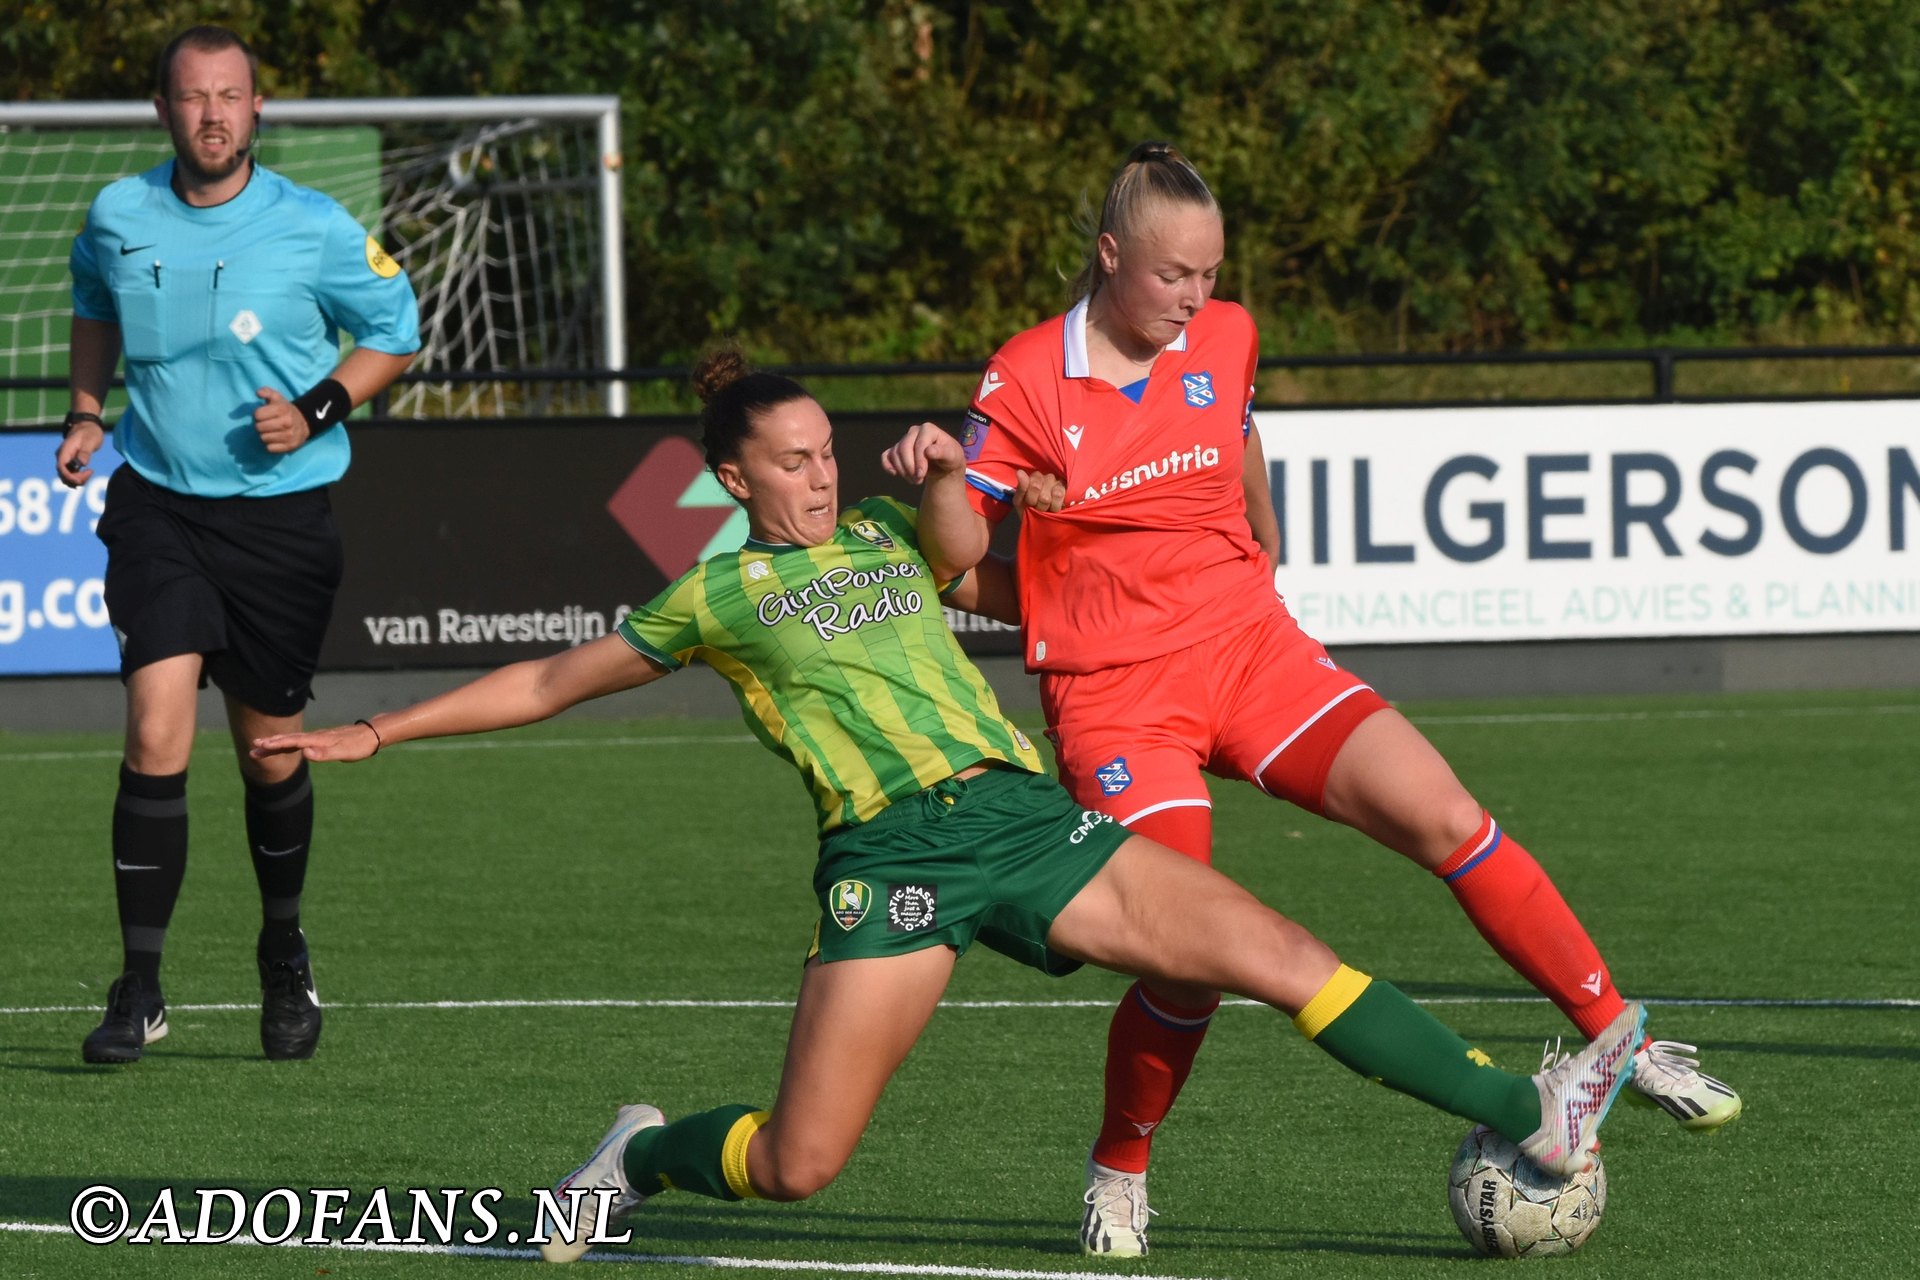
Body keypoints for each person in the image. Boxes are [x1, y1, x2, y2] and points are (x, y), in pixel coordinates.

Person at [254, 351, 1642, 1265]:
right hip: (891, 863)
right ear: (732, 483)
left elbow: (1020, 555)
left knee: (1277, 955)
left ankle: (1532, 1108)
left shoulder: (887, 536)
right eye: (788, 461)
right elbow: (555, 680)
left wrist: (986, 489)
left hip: (1024, 822)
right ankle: (643, 1151)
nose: (818, 471)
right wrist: (381, 725)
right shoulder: (714, 597)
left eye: (822, 451)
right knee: (798, 1166)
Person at [893, 141, 1739, 1257]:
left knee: (1447, 816)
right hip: (1116, 698)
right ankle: (1120, 1167)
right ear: (1108, 256)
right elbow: (952, 564)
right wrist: (963, 498)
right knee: (1185, 949)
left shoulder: (1226, 335)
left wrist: (1265, 536)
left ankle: (1615, 1040)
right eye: (1170, 275)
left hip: (1253, 652)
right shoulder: (1026, 380)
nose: (1195, 297)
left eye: (1209, 272)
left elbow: (1238, 429)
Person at [57, 24, 421, 1065]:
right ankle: (140, 984)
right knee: (154, 733)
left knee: (269, 755)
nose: (211, 114)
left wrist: (316, 407)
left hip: (279, 520)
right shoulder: (119, 213)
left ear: (258, 108)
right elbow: (92, 302)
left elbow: (396, 331)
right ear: (161, 111)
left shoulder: (310, 225)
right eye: (191, 97)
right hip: (158, 507)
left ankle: (282, 950)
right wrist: (88, 411)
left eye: (230, 96)